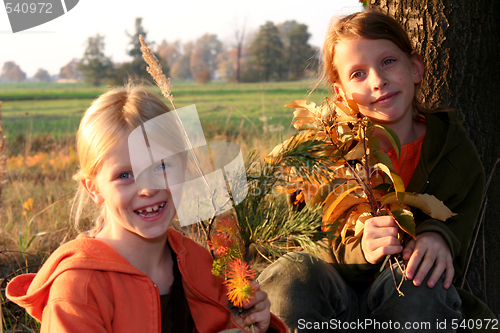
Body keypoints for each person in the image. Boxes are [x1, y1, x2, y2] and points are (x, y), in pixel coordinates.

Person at [258, 10, 496, 332]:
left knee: (419, 281)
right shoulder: (327, 153)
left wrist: (439, 238)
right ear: (341, 92)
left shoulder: (451, 148)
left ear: (414, 67)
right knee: (290, 273)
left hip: (404, 298)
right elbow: (307, 238)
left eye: (387, 62)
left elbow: (461, 216)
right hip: (333, 301)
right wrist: (358, 250)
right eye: (357, 74)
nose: (377, 80)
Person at [6, 84, 287, 333]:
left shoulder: (201, 265)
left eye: (161, 166)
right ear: (93, 188)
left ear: (185, 168)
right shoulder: (79, 290)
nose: (147, 188)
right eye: (125, 175)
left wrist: (248, 322)